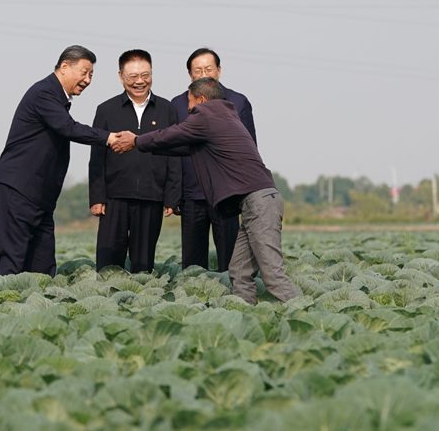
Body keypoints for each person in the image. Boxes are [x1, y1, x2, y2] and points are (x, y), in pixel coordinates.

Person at [111, 77, 296, 305]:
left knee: (273, 275)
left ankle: (310, 317)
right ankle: (246, 316)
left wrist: (137, 140)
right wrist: (144, 148)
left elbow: (171, 134)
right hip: (258, 201)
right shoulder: (225, 116)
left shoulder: (206, 115)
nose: (188, 110)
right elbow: (182, 146)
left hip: (259, 203)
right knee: (238, 271)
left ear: (201, 99)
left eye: (190, 104)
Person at [0, 45, 119, 276]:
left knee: (43, 270)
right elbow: (68, 128)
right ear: (64, 66)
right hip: (18, 190)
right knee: (12, 266)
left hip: (40, 199)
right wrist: (108, 137)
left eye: (91, 74)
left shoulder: (57, 98)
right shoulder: (44, 93)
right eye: (84, 72)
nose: (88, 79)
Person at [89, 49, 181, 273]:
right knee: (108, 260)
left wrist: (171, 196)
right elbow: (96, 158)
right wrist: (97, 196)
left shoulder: (167, 109)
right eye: (133, 76)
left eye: (145, 75)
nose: (140, 81)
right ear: (121, 77)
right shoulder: (106, 110)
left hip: (152, 197)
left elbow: (175, 156)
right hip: (114, 198)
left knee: (143, 263)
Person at [171, 48, 256, 272]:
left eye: (208, 69)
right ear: (190, 74)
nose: (204, 74)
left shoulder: (238, 102)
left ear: (219, 70)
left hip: (226, 195)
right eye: (197, 70)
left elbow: (248, 150)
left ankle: (232, 301)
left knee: (231, 261)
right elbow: (170, 152)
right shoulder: (178, 105)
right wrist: (173, 194)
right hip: (191, 195)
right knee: (192, 263)